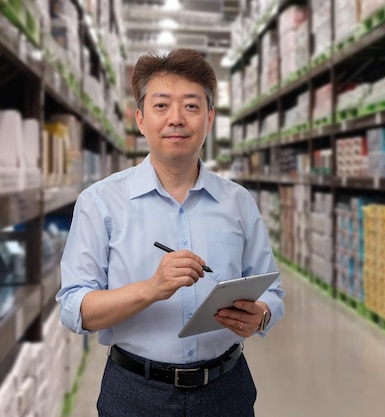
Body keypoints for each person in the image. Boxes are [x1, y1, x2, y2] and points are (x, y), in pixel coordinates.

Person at [56, 48, 285, 417]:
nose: (176, 119)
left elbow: (272, 291)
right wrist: (151, 289)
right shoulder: (100, 203)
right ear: (141, 119)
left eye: (192, 107)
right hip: (134, 394)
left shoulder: (238, 202)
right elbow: (73, 308)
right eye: (162, 106)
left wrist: (260, 315)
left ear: (209, 119)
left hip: (227, 390)